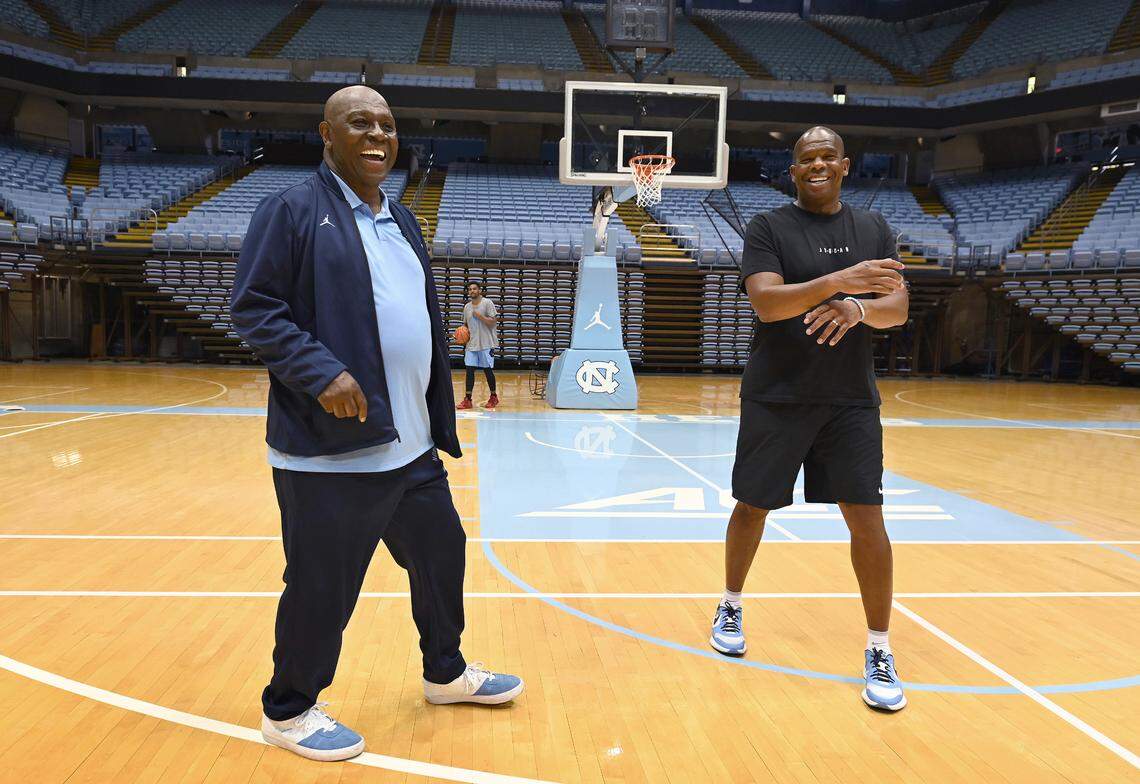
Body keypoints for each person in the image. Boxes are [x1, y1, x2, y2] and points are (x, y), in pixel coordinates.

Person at [230, 85, 523, 763]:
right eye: (359, 123)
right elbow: (255, 307)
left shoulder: (402, 219)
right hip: (333, 453)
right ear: (326, 135)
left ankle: (445, 672)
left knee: (441, 555)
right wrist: (319, 371)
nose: (376, 135)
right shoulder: (293, 210)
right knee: (322, 585)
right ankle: (289, 708)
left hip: (410, 444)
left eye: (387, 126)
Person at [710, 126, 910, 712]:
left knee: (868, 520)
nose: (817, 165)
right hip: (776, 395)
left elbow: (895, 309)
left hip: (850, 400)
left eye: (827, 157)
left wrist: (854, 308)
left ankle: (878, 646)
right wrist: (841, 282)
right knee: (751, 507)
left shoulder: (874, 229)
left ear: (845, 165)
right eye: (806, 159)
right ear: (792, 169)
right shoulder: (768, 228)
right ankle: (730, 602)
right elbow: (769, 303)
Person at [456, 282, 499, 409]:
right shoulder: (467, 307)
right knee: (469, 370)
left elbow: (493, 323)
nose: (472, 291)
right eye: (470, 289)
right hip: (471, 344)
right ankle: (468, 399)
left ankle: (493, 397)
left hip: (486, 343)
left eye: (474, 289)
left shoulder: (487, 303)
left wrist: (480, 316)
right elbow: (465, 326)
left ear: (479, 290)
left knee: (487, 370)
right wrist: (459, 334)